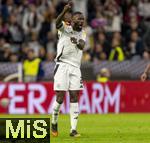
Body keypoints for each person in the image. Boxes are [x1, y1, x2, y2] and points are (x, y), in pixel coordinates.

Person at [51, 1, 86, 137]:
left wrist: (76, 41)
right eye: (79, 18)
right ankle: (54, 121)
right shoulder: (64, 28)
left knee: (74, 96)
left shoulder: (82, 33)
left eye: (83, 19)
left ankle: (73, 129)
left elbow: (82, 46)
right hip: (62, 65)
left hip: (76, 68)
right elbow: (56, 23)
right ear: (72, 20)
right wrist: (64, 12)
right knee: (60, 98)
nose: (81, 21)